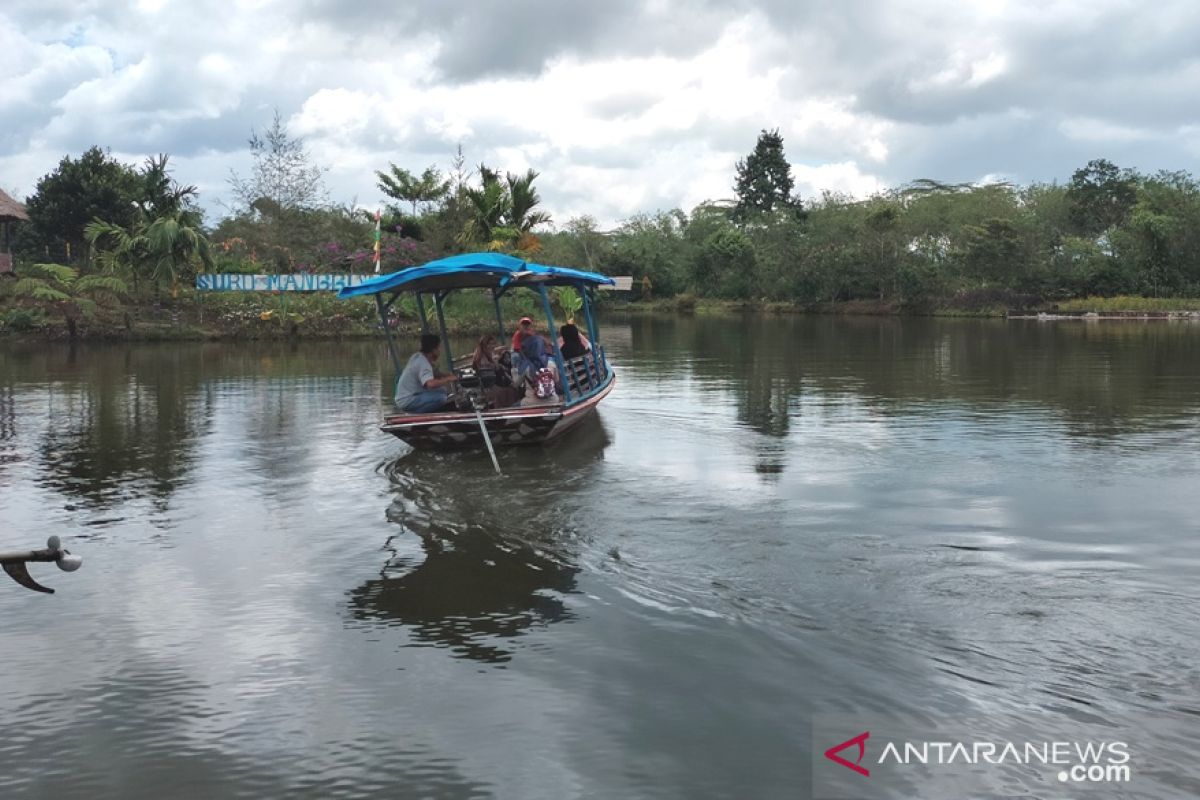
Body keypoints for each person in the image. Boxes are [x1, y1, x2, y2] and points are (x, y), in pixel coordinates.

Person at [394, 333, 457, 413]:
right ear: (433, 350)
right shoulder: (424, 363)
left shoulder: (417, 356)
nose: (440, 350)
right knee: (441, 398)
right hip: (408, 400)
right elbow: (430, 384)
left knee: (442, 390)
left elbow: (429, 374)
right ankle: (416, 414)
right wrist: (448, 379)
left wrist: (445, 375)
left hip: (405, 396)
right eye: (439, 348)